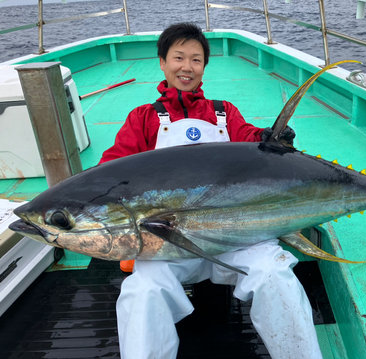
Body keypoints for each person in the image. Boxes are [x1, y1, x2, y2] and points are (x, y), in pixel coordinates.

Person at [99, 22, 322, 359]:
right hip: (168, 247)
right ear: (162, 62)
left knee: (274, 272)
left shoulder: (224, 112)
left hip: (235, 238)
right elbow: (111, 171)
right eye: (178, 58)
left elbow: (249, 139)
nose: (186, 67)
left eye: (196, 60)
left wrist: (269, 139)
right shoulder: (143, 119)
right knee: (142, 290)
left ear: (204, 66)